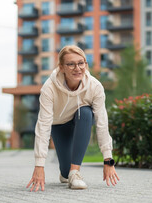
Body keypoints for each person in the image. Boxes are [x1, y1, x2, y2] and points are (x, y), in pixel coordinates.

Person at [26, 45, 120, 192]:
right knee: (65, 172)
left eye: (81, 63)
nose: (77, 68)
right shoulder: (49, 88)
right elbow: (43, 125)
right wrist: (39, 166)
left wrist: (108, 160)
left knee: (86, 112)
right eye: (71, 64)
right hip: (58, 125)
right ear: (61, 67)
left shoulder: (95, 87)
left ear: (86, 64)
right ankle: (67, 173)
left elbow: (102, 123)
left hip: (80, 120)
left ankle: (75, 173)